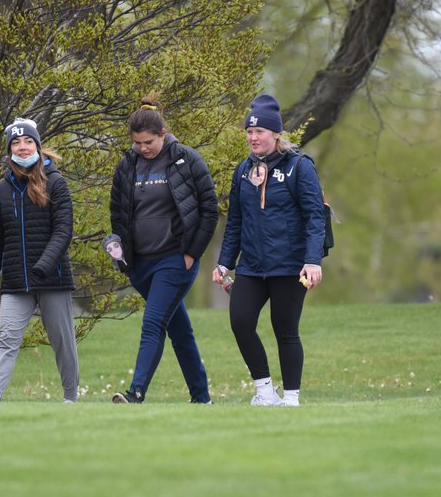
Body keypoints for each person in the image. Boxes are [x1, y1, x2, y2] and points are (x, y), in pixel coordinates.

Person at [212, 94, 325, 407]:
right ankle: (265, 391)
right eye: (249, 132)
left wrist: (312, 261)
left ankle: (291, 398)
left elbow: (315, 217)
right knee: (241, 322)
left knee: (285, 329)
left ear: (276, 133)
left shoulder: (299, 167)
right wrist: (224, 264)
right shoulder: (242, 171)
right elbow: (234, 222)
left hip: (290, 266)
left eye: (259, 132)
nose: (252, 137)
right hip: (251, 265)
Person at [108, 98, 218, 404]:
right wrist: (120, 250)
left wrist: (191, 253)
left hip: (175, 260)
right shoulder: (127, 164)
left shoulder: (187, 160)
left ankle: (136, 392)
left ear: (163, 133)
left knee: (153, 322)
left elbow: (209, 209)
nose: (143, 148)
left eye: (149, 142)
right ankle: (202, 397)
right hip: (140, 264)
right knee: (179, 329)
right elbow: (118, 211)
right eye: (137, 142)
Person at [0, 118, 79, 403]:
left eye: (28, 141)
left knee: (63, 342)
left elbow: (63, 230)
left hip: (52, 279)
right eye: (16, 143)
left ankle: (70, 398)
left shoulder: (56, 183)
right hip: (17, 282)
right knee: (6, 338)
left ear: (38, 146)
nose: (23, 147)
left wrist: (44, 263)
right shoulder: (3, 189)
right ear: (9, 151)